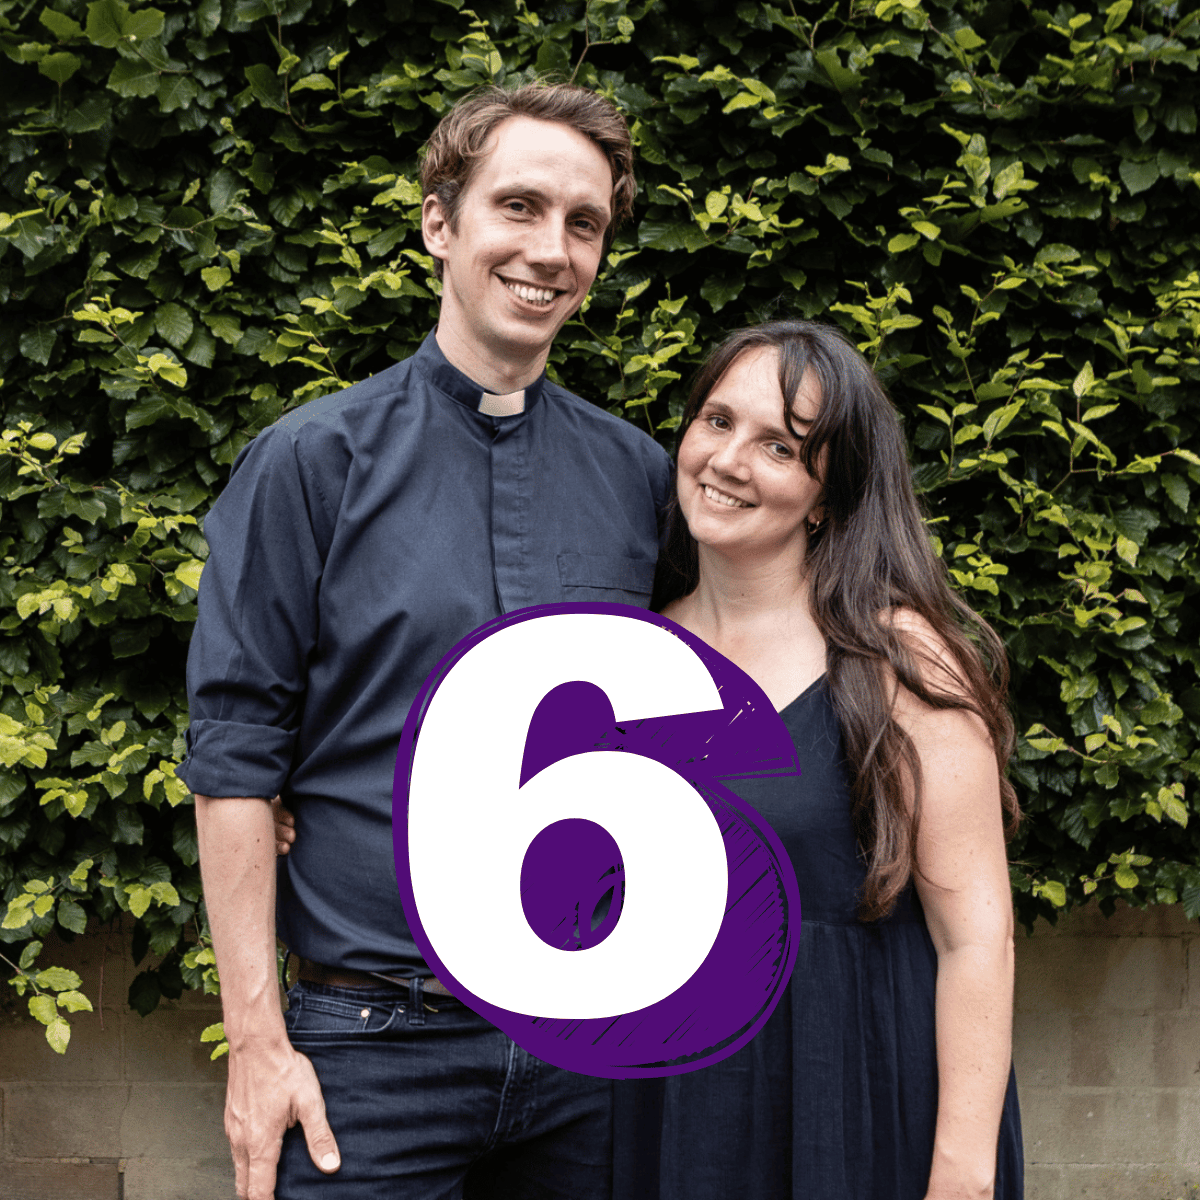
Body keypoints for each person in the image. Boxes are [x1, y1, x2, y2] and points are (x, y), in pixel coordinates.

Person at [178, 81, 671, 1200]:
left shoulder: (641, 478)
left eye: (583, 224)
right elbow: (236, 755)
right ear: (439, 223)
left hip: (586, 1050)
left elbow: (721, 674)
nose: (551, 250)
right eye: (520, 207)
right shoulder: (310, 464)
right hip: (366, 1047)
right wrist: (258, 1044)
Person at [610, 318, 1024, 1199]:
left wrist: (962, 1171)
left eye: (779, 446)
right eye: (716, 421)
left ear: (828, 494)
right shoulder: (630, 654)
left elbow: (977, 939)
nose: (727, 460)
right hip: (670, 1108)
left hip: (859, 1096)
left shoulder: (896, 660)